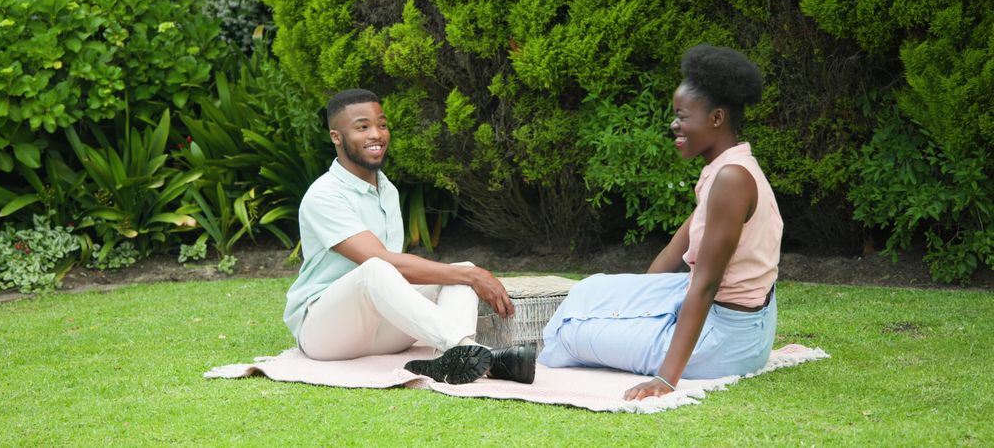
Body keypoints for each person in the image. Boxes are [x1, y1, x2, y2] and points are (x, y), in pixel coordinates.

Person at [538, 44, 782, 400]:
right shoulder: (725, 169)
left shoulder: (733, 180)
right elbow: (674, 252)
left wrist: (666, 379)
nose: (674, 125)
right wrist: (635, 308)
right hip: (730, 322)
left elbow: (706, 285)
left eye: (683, 116)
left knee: (572, 335)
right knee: (588, 291)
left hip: (727, 339)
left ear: (716, 118)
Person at [283, 88, 537, 384]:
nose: (376, 134)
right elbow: (383, 263)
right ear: (336, 137)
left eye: (382, 124)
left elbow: (396, 277)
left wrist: (468, 275)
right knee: (378, 268)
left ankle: (456, 359)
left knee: (462, 271)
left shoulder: (386, 189)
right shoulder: (324, 195)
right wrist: (474, 277)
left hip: (383, 332)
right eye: (362, 127)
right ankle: (474, 353)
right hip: (326, 333)